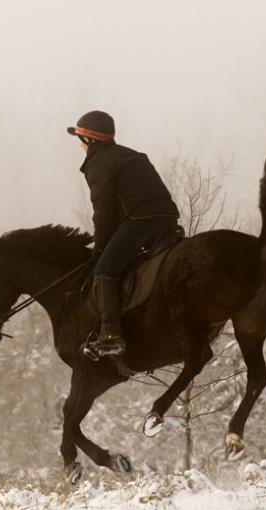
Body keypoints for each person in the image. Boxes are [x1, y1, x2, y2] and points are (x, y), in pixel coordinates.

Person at [67, 110, 180, 356]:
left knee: (105, 270)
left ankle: (111, 334)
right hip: (168, 217)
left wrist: (99, 250)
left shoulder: (98, 164)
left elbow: (104, 213)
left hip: (140, 220)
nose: (79, 144)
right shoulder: (132, 155)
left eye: (79, 138)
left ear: (89, 140)